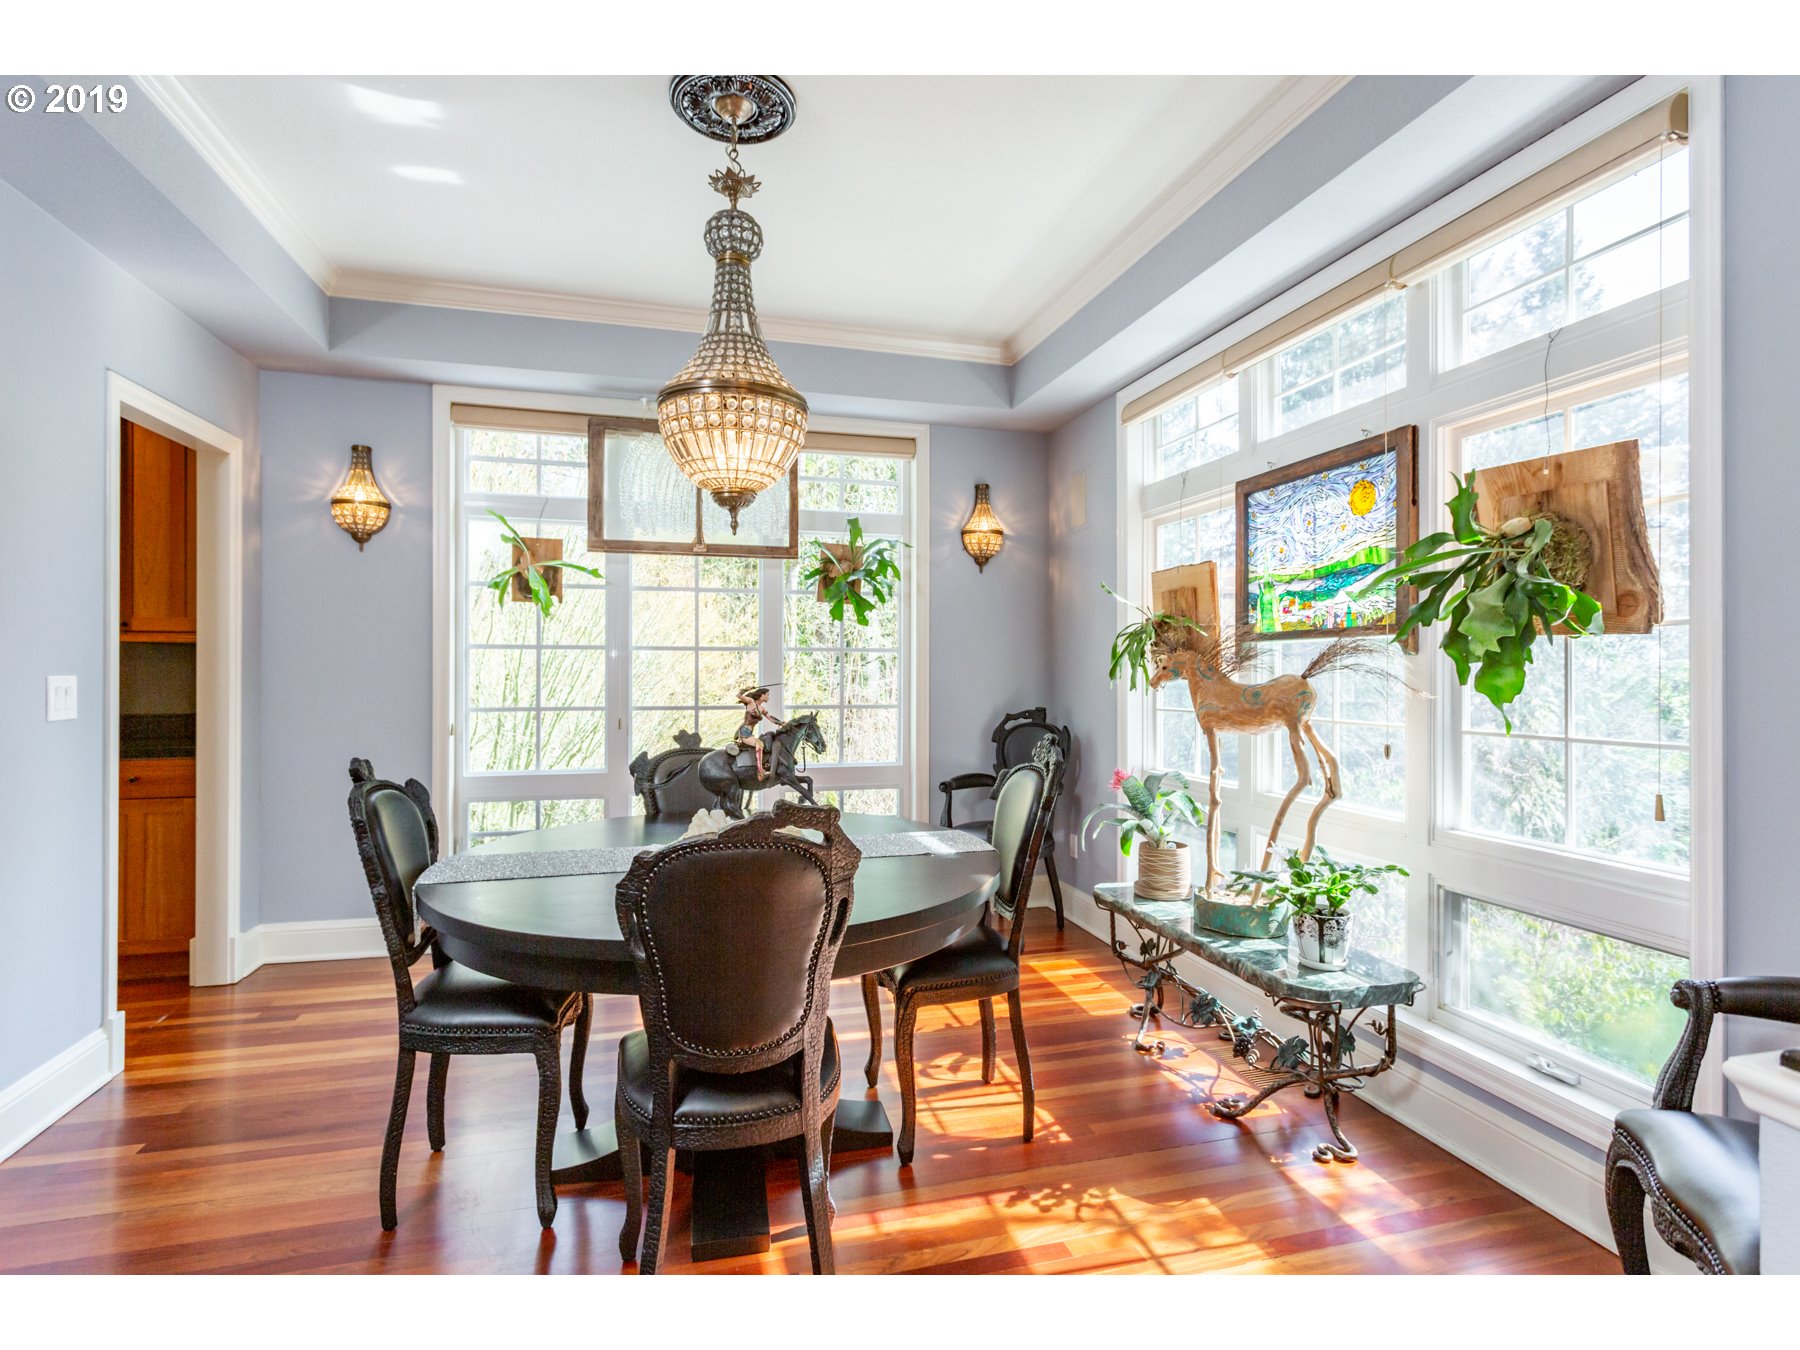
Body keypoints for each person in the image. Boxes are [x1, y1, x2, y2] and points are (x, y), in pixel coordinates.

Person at [733, 685, 775, 780]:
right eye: (767, 695)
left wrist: (782, 723)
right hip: (744, 732)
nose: (768, 697)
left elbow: (771, 718)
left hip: (750, 732)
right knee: (759, 744)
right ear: (762, 695)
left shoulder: (762, 708)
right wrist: (745, 689)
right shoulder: (751, 702)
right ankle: (760, 771)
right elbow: (738, 695)